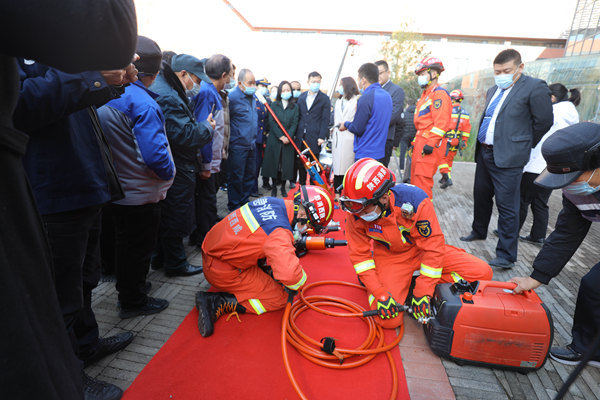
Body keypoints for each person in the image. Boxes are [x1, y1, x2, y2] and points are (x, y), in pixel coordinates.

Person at [1, 1, 136, 398]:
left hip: (84, 182)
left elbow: (69, 103)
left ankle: (86, 344)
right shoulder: (22, 38)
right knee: (61, 292)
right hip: (54, 189)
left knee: (85, 278)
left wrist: (109, 82)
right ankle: (71, 376)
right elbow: (23, 103)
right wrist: (91, 79)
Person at [339, 158, 493, 329]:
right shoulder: (355, 210)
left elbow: (433, 248)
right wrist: (380, 294)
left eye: (363, 208)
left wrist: (423, 292)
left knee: (482, 273)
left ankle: (414, 285)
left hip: (423, 253)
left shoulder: (414, 201)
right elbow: (360, 258)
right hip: (391, 257)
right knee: (388, 320)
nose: (358, 214)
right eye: (352, 206)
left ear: (383, 198)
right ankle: (402, 284)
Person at [509, 122, 600, 368]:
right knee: (593, 286)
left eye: (572, 177)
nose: (569, 186)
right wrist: (536, 277)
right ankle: (589, 350)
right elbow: (566, 234)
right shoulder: (579, 191)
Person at [98, 36, 174, 319]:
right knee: (138, 249)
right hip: (141, 192)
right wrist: (169, 173)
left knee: (124, 245)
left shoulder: (103, 93)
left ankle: (130, 286)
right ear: (153, 74)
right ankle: (133, 300)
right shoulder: (143, 104)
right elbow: (155, 157)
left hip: (115, 187)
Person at [195, 185, 334, 337]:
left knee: (272, 271)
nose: (307, 230)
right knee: (279, 298)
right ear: (302, 213)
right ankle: (217, 301)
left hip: (215, 249)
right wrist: (302, 279)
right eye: (310, 226)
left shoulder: (274, 203)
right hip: (222, 270)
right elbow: (292, 278)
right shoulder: (278, 233)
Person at [460, 49, 554, 269]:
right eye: (497, 71)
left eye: (506, 70)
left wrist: (521, 144)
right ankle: (479, 230)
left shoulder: (534, 87)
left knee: (508, 206)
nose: (501, 74)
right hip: (485, 151)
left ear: (520, 68)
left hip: (509, 157)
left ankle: (506, 254)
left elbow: (544, 121)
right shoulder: (494, 89)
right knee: (481, 194)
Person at [150, 54, 215, 277]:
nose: (197, 86)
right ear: (183, 74)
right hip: (178, 164)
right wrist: (207, 127)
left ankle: (160, 258)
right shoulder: (169, 96)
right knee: (176, 215)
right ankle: (176, 264)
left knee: (169, 214)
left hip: (176, 163)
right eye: (197, 81)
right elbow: (185, 135)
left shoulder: (168, 88)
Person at [519, 84, 580, 245]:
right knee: (540, 202)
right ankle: (538, 235)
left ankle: (511, 231)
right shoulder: (572, 115)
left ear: (552, 97)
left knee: (522, 199)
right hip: (554, 167)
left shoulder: (552, 113)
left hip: (537, 164)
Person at [189, 54, 233, 248]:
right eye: (230, 75)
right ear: (223, 75)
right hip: (205, 161)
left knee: (207, 201)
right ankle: (204, 239)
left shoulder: (211, 92)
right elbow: (204, 131)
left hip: (211, 159)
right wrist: (206, 164)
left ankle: (201, 234)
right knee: (206, 202)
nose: (230, 79)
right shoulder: (208, 93)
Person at [410, 57, 453, 198]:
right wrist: (415, 144)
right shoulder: (425, 95)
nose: (420, 78)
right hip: (421, 142)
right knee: (416, 181)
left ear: (434, 74)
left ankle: (424, 217)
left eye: (423, 74)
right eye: (420, 75)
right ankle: (416, 214)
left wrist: (430, 143)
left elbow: (441, 123)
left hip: (429, 144)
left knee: (422, 183)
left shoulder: (438, 94)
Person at [339, 63, 392, 163]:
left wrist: (345, 124)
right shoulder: (387, 96)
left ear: (363, 80)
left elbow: (358, 128)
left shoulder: (366, 98)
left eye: (358, 79)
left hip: (365, 153)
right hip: (380, 152)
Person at [262, 81, 300, 197]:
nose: (285, 92)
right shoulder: (274, 105)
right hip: (275, 139)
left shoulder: (295, 107)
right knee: (274, 164)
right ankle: (274, 187)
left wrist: (288, 136)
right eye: (283, 90)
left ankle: (283, 187)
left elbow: (295, 123)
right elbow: (272, 122)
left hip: (288, 140)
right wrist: (280, 136)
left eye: (288, 90)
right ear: (279, 92)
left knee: (285, 166)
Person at [227, 68, 259, 211]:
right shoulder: (232, 98)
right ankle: (234, 207)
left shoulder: (253, 97)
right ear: (240, 83)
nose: (253, 86)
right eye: (249, 83)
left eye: (254, 83)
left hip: (251, 145)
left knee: (249, 176)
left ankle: (244, 204)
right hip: (237, 146)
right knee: (236, 178)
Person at [295, 71, 331, 185]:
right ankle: (301, 186)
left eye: (318, 82)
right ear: (308, 82)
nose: (316, 84)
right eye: (313, 82)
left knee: (314, 163)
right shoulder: (301, 97)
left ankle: (313, 186)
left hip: (315, 137)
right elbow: (299, 115)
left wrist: (322, 136)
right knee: (301, 163)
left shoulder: (324, 99)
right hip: (301, 135)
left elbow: (325, 119)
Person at [331, 77, 359, 196]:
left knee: (347, 167)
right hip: (338, 137)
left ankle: (347, 193)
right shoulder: (338, 100)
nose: (340, 88)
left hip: (349, 136)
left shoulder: (356, 100)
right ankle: (337, 193)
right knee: (337, 167)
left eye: (341, 85)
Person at [438, 89, 471, 189]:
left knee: (442, 159)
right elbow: (466, 129)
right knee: (449, 160)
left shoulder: (447, 111)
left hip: (446, 140)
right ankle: (444, 178)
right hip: (457, 141)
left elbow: (442, 125)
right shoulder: (465, 113)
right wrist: (464, 141)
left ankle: (447, 177)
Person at [375, 60, 405, 167]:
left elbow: (394, 115)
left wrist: (373, 125)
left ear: (388, 72)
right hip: (371, 138)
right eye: (375, 73)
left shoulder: (396, 90)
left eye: (380, 73)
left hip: (385, 138)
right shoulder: (373, 90)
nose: (378, 76)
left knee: (379, 170)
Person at [254, 77, 271, 195]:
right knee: (253, 165)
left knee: (258, 164)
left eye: (266, 86)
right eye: (262, 86)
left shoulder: (264, 100)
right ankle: (251, 189)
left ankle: (253, 188)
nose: (264, 89)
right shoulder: (254, 99)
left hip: (261, 137)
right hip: (254, 137)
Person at [400, 98, 417, 181]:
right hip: (414, 137)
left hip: (404, 136)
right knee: (411, 154)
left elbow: (401, 124)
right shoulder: (417, 113)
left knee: (402, 153)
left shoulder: (404, 113)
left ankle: (402, 169)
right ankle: (410, 171)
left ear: (408, 104)